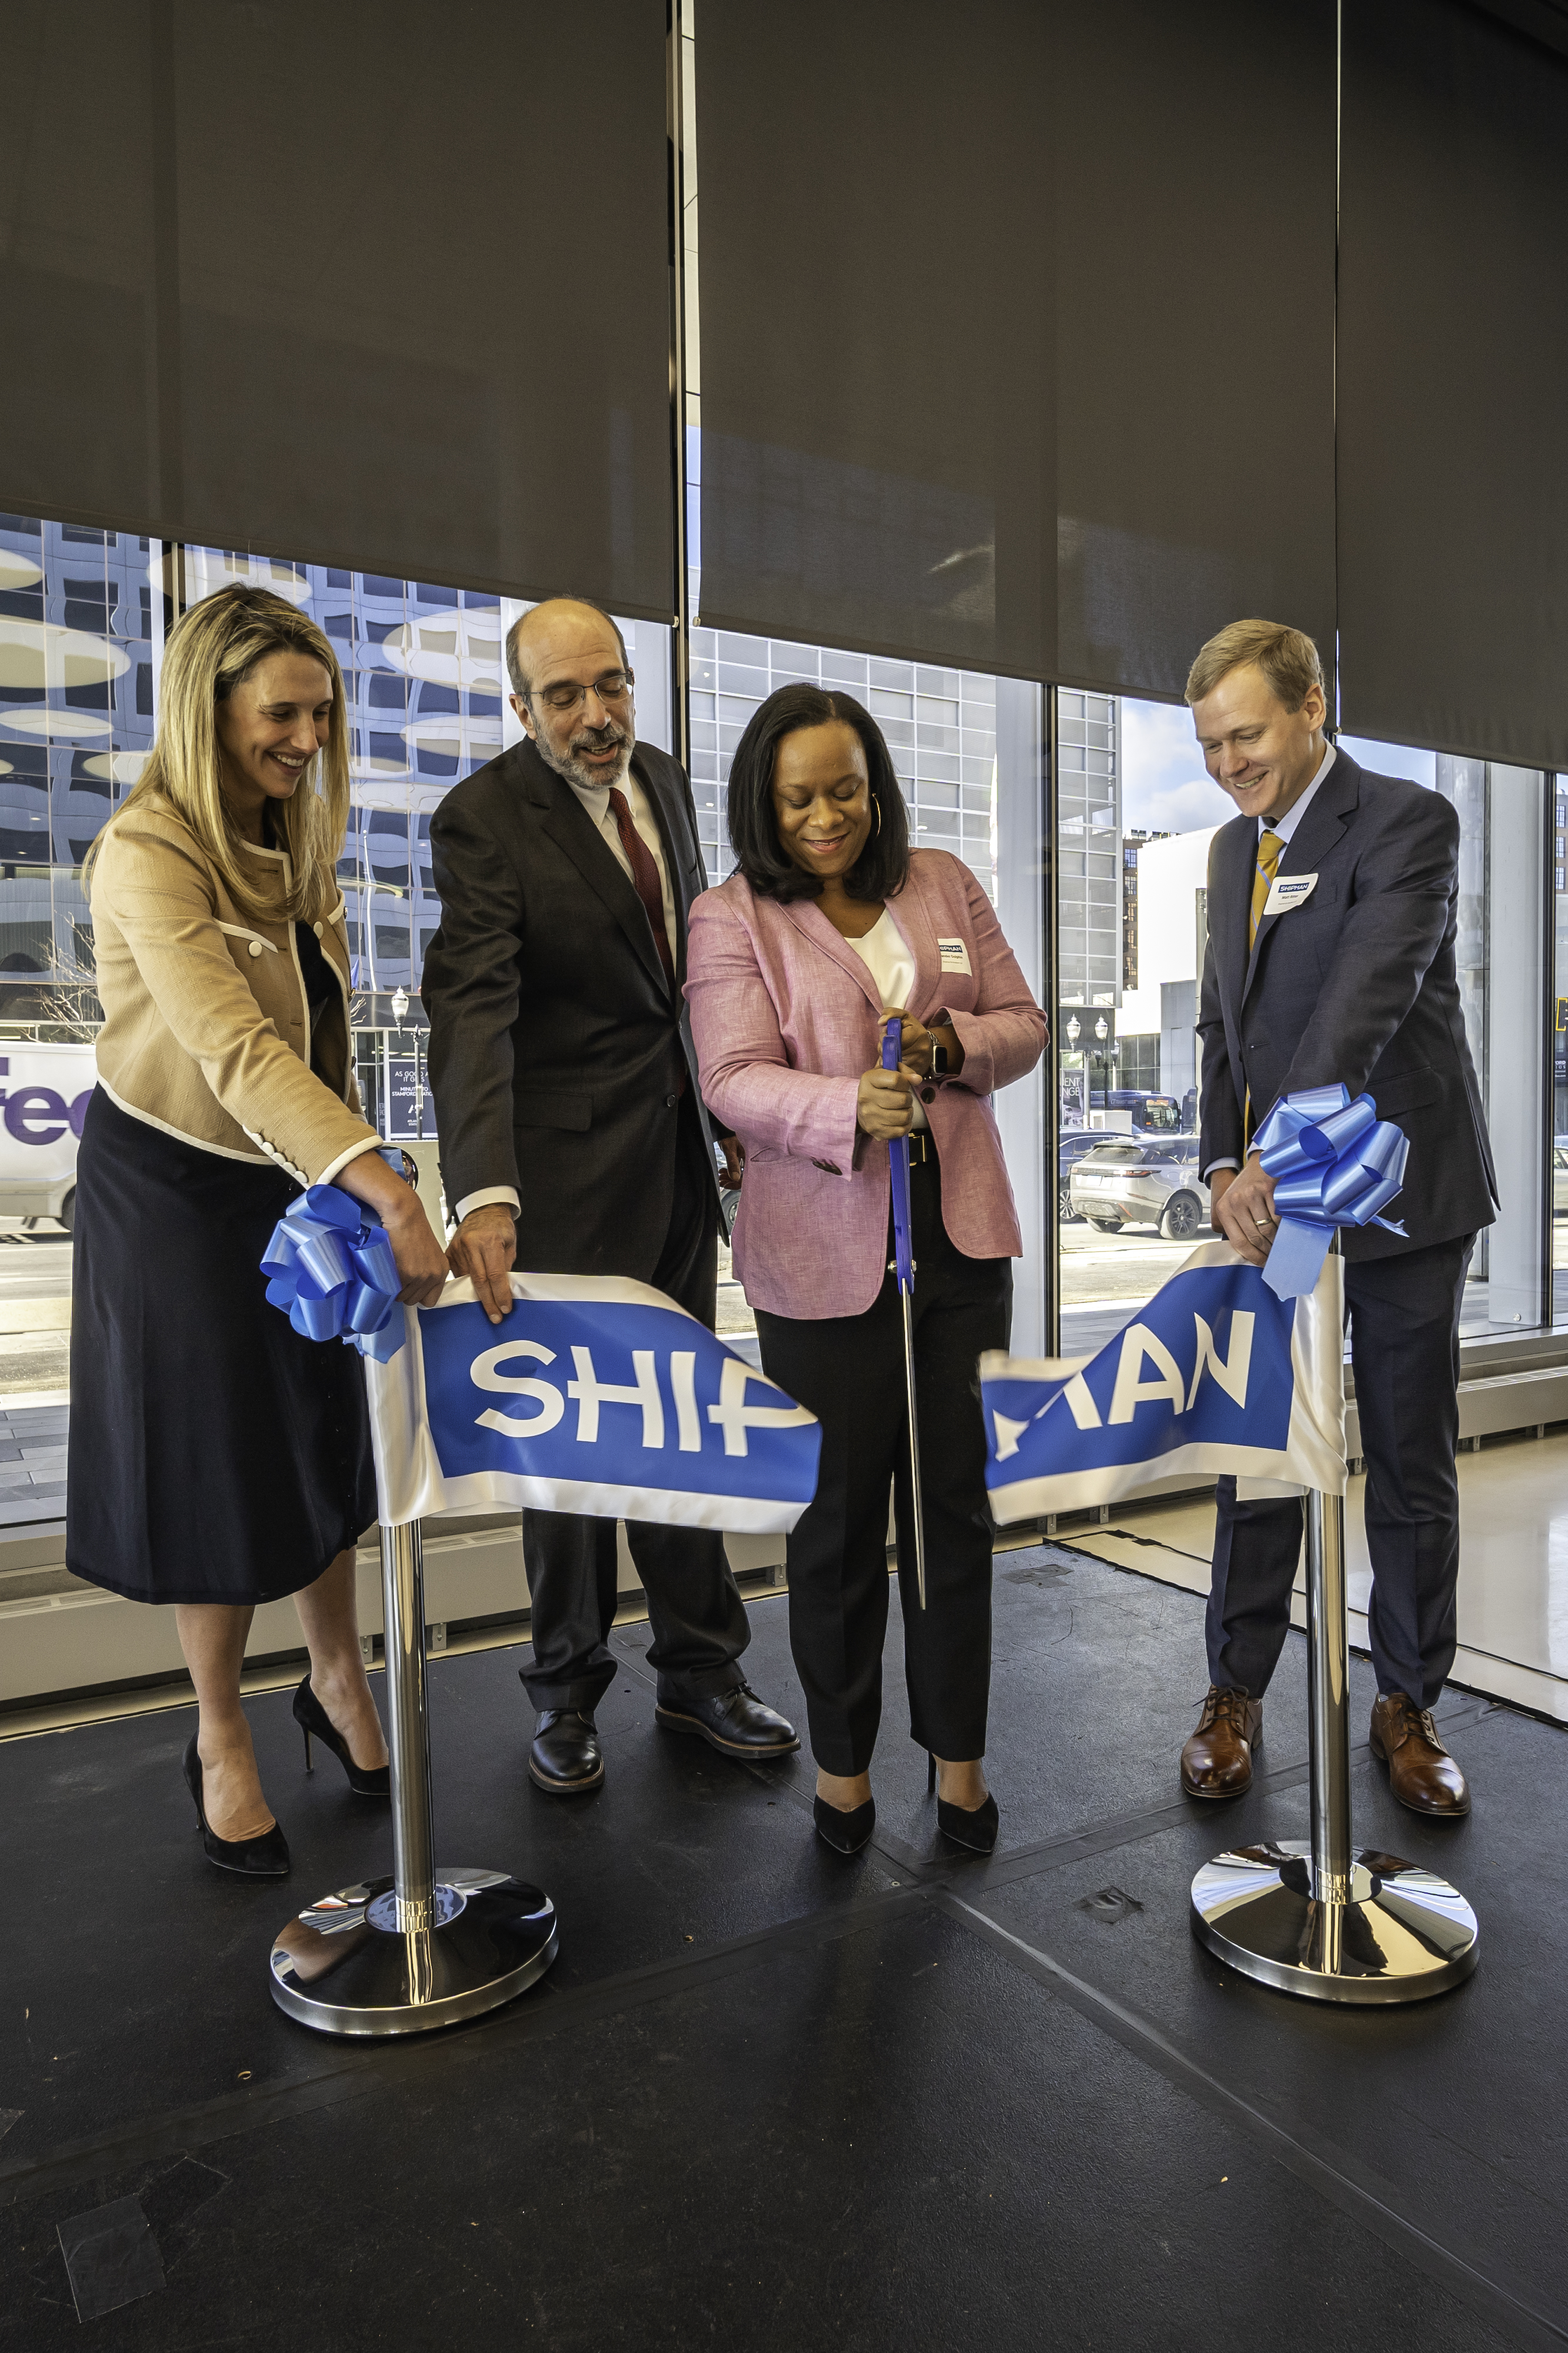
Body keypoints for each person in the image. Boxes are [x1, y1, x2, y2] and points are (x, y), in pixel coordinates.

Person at [70, 585, 450, 1878]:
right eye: (281, 712)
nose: (305, 735)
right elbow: (231, 1045)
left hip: (291, 1165)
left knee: (316, 1430)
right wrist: (386, 1186)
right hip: (172, 1182)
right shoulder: (146, 850)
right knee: (217, 1456)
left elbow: (316, 1027)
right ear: (207, 704)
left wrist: (358, 1157)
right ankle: (219, 1726)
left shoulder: (291, 829)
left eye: (320, 711)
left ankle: (336, 1676)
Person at [422, 596, 797, 1795]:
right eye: (567, 698)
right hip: (562, 1184)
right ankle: (566, 1687)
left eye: (613, 686)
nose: (598, 717)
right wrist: (482, 1188)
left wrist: (729, 1109)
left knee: (680, 1417)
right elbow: (470, 1007)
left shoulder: (668, 780)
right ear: (522, 708)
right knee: (576, 1443)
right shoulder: (482, 819)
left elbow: (693, 972)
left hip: (678, 1159)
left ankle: (700, 1670)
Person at [685, 685, 1046, 1856]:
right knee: (835, 1526)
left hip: (957, 1244)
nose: (827, 815)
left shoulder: (939, 878)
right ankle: (843, 1775)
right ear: (764, 802)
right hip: (819, 1264)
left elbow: (1023, 1022)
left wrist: (952, 1046)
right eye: (799, 797)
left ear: (876, 785)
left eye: (846, 788)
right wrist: (850, 1104)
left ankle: (961, 1765)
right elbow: (731, 1077)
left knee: (953, 1513)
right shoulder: (730, 915)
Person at [1182, 618, 1497, 1817]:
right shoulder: (1226, 851)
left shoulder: (1409, 822)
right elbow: (1222, 1024)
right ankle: (1234, 1690)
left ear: (1312, 706)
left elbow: (1369, 990)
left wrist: (1275, 1153)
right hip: (1267, 1206)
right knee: (1256, 1450)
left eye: (1247, 733)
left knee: (1410, 1456)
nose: (1228, 762)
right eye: (1211, 742)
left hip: (1401, 1193)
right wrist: (1223, 1164)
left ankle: (1406, 1699)